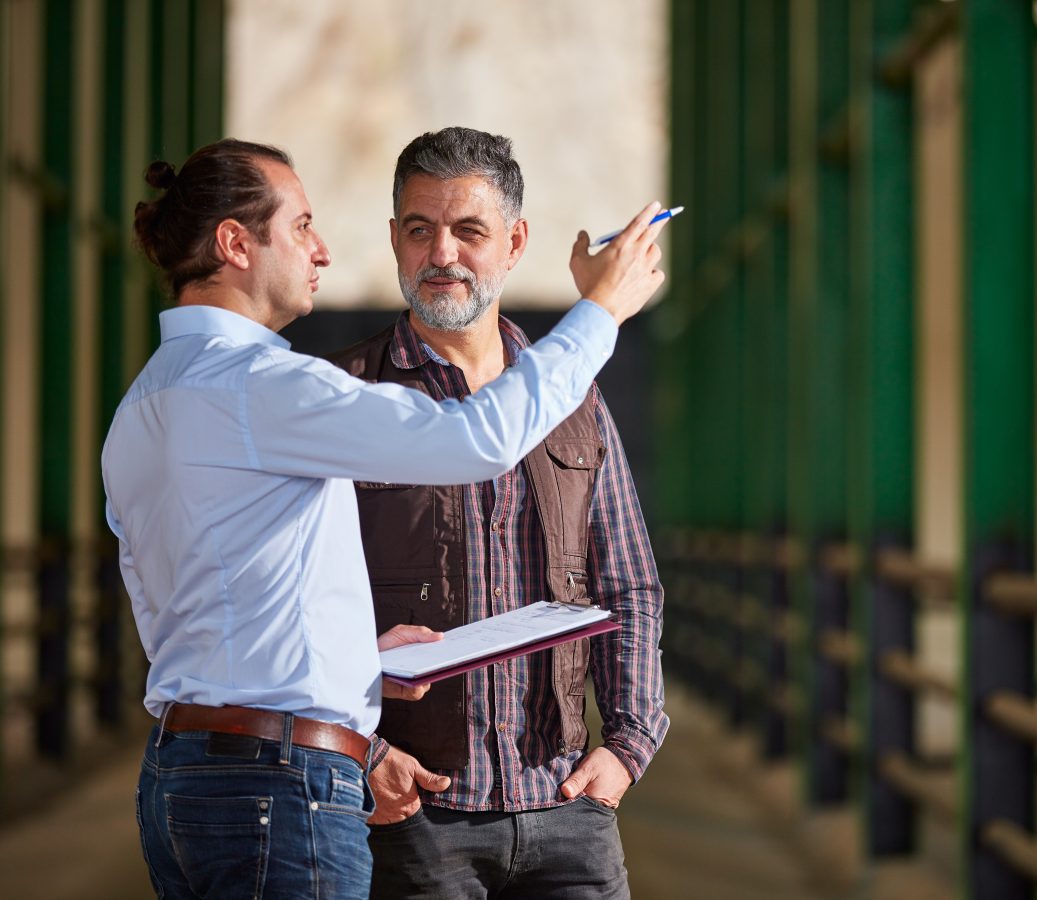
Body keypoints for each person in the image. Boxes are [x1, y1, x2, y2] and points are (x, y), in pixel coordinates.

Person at [101, 137, 667, 899]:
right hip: (289, 788)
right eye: (301, 226)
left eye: (468, 229)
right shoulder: (274, 389)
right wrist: (601, 310)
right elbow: (480, 439)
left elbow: (210, 613)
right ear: (235, 243)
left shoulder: (144, 403)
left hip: (190, 775)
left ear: (513, 242)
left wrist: (356, 659)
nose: (322, 250)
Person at [329, 127, 668, 899]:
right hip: (413, 810)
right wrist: (362, 750)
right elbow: (292, 601)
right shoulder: (342, 398)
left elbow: (631, 587)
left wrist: (628, 745)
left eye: (468, 231)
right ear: (393, 240)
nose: (442, 252)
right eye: (420, 230)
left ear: (515, 243)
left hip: (569, 809)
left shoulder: (573, 397)